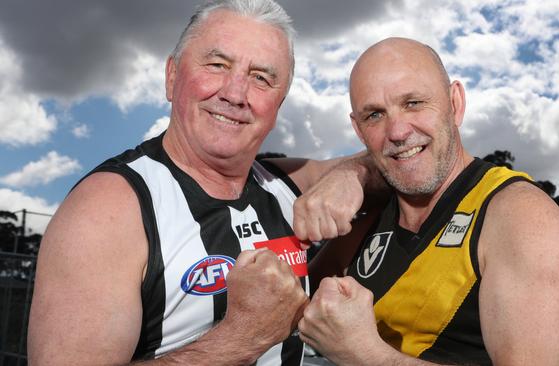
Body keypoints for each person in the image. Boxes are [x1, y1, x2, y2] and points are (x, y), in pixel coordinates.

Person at [27, 1, 374, 365]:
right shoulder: (108, 209)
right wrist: (240, 338)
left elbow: (392, 162)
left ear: (279, 103)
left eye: (261, 78)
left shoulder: (285, 183)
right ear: (172, 77)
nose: (235, 94)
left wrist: (353, 175)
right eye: (217, 65)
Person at [297, 37, 559, 366]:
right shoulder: (370, 215)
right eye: (375, 115)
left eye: (414, 103)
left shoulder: (520, 215)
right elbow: (295, 302)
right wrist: (350, 172)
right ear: (359, 130)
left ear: (455, 103)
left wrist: (363, 354)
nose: (398, 131)